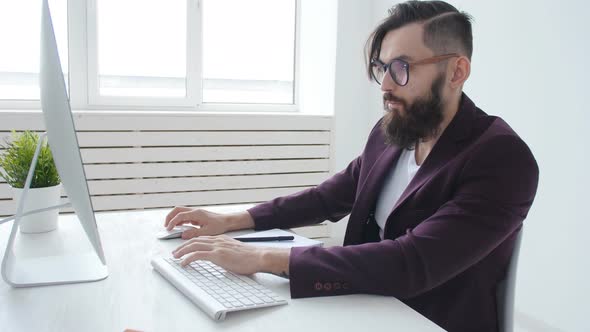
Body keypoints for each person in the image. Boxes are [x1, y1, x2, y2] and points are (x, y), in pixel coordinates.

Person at [165, 1, 539, 331]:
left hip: (426, 320)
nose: (385, 85)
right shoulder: (395, 129)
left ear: (456, 72)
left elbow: (412, 262)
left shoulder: (502, 159)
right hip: (365, 306)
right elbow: (330, 197)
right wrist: (234, 219)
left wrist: (263, 257)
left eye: (402, 67)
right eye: (382, 68)